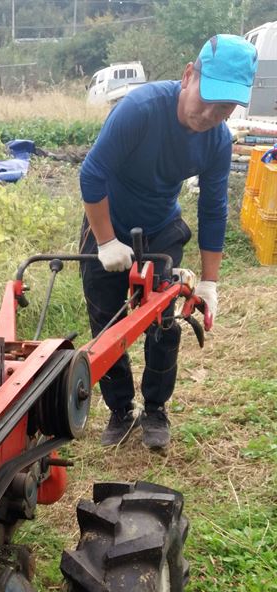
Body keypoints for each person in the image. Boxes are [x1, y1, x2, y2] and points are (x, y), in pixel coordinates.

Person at [79, 34, 258, 451]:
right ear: (188, 77)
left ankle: (155, 409)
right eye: (208, 98)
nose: (212, 114)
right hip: (108, 220)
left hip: (161, 229)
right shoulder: (140, 110)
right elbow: (92, 175)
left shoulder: (217, 140)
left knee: (163, 320)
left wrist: (210, 284)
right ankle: (120, 410)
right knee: (107, 323)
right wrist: (106, 241)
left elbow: (214, 209)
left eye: (227, 107)